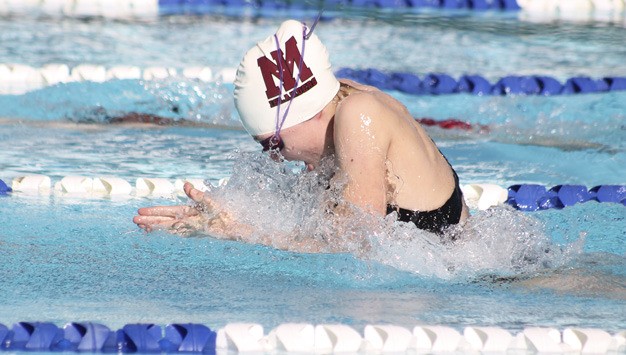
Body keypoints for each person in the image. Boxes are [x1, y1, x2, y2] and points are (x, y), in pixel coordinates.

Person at [133, 19, 469, 250]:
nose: (276, 158)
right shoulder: (347, 102)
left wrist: (236, 231)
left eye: (273, 144)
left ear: (309, 111)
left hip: (481, 281)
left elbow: (353, 246)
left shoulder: (358, 114)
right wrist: (217, 216)